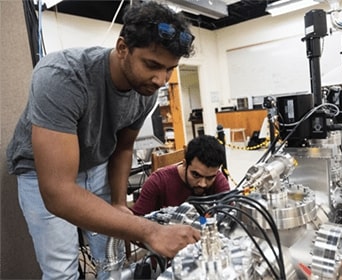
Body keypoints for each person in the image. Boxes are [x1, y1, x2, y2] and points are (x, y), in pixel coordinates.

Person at [6, 1, 200, 279]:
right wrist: (150, 230)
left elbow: (123, 147)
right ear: (123, 48)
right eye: (152, 65)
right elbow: (58, 192)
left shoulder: (146, 90)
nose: (160, 79)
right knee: (62, 271)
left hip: (97, 164)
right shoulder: (62, 76)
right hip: (41, 174)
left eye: (170, 69)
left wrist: (120, 203)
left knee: (113, 260)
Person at [132, 135, 231, 216]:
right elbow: (136, 225)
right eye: (196, 175)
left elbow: (230, 216)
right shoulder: (158, 182)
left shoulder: (218, 179)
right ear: (184, 164)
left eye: (209, 178)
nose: (203, 184)